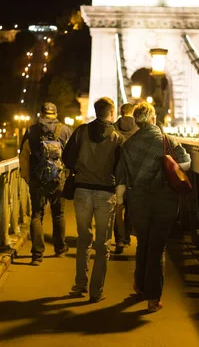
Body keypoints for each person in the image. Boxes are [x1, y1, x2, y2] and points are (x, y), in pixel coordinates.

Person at [116, 102, 191, 312]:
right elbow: (185, 164)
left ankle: (139, 285)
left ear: (138, 121)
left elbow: (121, 177)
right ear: (152, 119)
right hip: (164, 199)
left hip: (138, 200)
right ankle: (153, 298)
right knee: (157, 248)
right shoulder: (167, 140)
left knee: (143, 243)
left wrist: (120, 202)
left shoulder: (128, 144)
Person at [62, 97, 125, 303]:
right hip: (106, 193)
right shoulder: (117, 138)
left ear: (95, 111)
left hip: (82, 190)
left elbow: (68, 159)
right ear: (112, 113)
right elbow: (121, 169)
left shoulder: (80, 132)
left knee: (83, 239)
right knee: (103, 243)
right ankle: (96, 291)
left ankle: (79, 284)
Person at [19, 102, 73, 266]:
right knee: (58, 215)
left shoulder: (31, 130)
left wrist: (27, 177)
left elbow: (24, 156)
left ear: (40, 114)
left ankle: (37, 255)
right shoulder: (64, 130)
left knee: (36, 216)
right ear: (55, 114)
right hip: (58, 180)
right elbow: (71, 155)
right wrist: (67, 175)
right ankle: (60, 249)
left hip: (37, 180)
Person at [112, 103, 139, 254]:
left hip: (117, 173)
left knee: (117, 209)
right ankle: (127, 238)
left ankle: (119, 240)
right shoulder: (140, 129)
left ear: (119, 112)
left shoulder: (113, 128)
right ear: (133, 112)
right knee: (130, 208)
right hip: (134, 174)